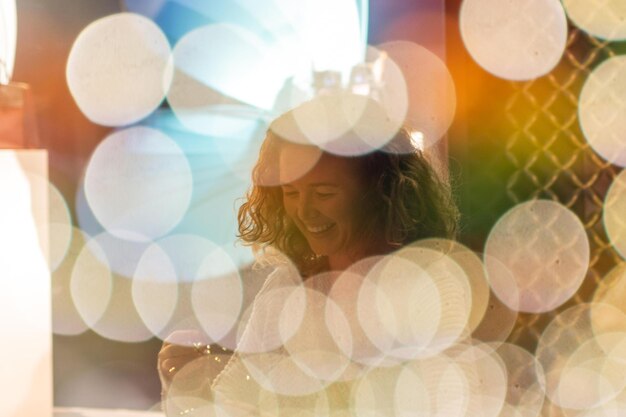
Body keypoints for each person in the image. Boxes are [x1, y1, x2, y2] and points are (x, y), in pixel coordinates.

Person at [158, 95, 459, 415]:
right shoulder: (285, 288)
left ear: (381, 192)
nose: (303, 211)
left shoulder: (432, 290)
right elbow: (236, 404)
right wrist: (191, 386)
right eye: (290, 192)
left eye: (324, 193)